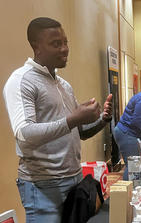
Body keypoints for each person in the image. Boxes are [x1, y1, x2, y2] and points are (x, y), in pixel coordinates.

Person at [3, 17, 113, 223]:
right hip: (43, 186)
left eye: (65, 42)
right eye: (56, 44)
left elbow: (78, 132)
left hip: (73, 179)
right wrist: (73, 119)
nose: (64, 49)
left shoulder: (64, 85)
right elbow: (24, 133)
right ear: (36, 47)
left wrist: (102, 120)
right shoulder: (21, 81)